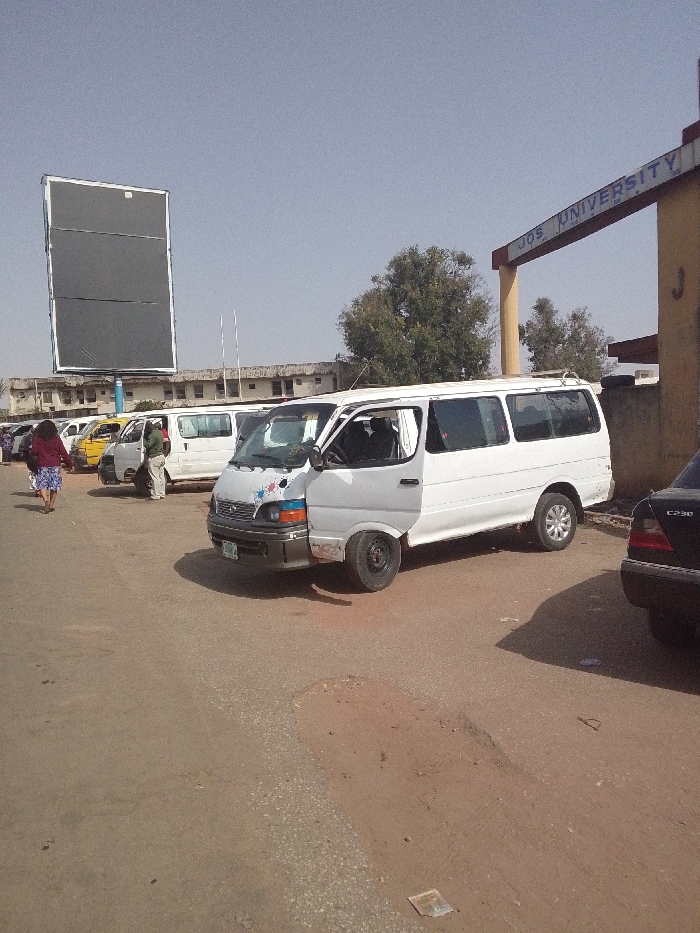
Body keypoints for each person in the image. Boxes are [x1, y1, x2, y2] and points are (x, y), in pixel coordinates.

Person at [30, 420, 74, 513]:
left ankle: (46, 501)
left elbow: (34, 451)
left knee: (42, 484)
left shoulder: (37, 438)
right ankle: (51, 505)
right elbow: (63, 452)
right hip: (55, 465)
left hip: (42, 464)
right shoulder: (56, 438)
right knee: (54, 486)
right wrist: (70, 464)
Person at [143, 421, 166, 500]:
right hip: (161, 456)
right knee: (161, 476)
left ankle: (156, 495)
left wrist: (144, 439)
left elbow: (148, 445)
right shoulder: (160, 432)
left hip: (154, 457)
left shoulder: (152, 435)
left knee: (154, 477)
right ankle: (162, 493)